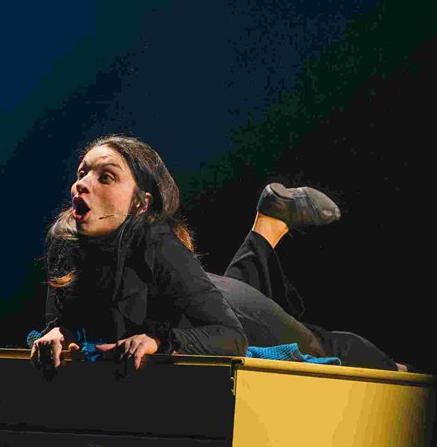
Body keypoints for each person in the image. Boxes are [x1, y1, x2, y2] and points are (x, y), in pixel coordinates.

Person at [30, 135, 408, 373]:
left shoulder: (158, 244)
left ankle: (401, 369)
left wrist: (161, 340)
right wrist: (57, 334)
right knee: (220, 292)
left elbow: (231, 337)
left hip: (232, 307)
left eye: (106, 176)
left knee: (316, 343)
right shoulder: (67, 245)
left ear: (141, 204)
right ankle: (270, 221)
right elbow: (62, 321)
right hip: (200, 292)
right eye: (82, 172)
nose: (82, 184)